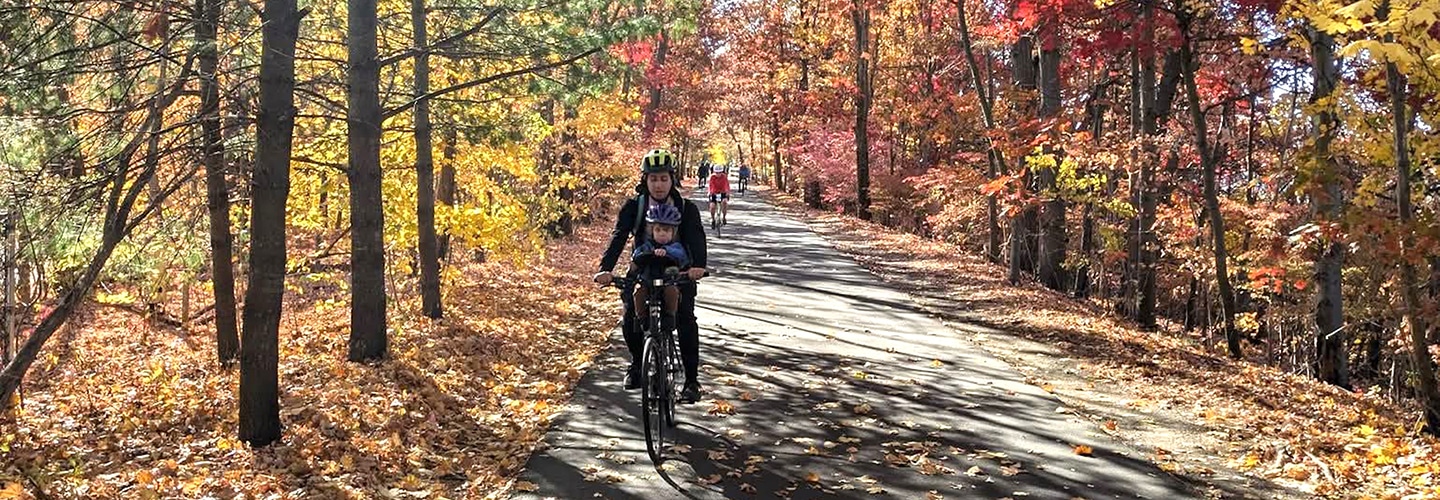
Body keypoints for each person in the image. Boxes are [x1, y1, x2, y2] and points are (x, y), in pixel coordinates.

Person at [595, 149, 708, 402]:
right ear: (645, 180)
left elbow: (696, 238)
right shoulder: (634, 207)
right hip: (643, 269)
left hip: (678, 270)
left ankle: (691, 381)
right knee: (630, 316)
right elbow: (619, 237)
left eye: (664, 179)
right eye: (653, 179)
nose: (659, 184)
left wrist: (698, 267)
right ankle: (638, 363)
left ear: (672, 179)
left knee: (685, 319)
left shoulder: (685, 208)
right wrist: (606, 268)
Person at [630, 204, 689, 334]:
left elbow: (682, 257)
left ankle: (670, 317)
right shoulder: (647, 246)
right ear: (652, 231)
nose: (662, 234)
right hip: (648, 281)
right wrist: (642, 256)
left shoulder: (676, 247)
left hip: (667, 281)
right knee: (638, 292)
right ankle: (641, 319)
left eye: (666, 231)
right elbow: (636, 256)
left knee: (672, 292)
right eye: (658, 230)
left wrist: (666, 251)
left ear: (673, 233)